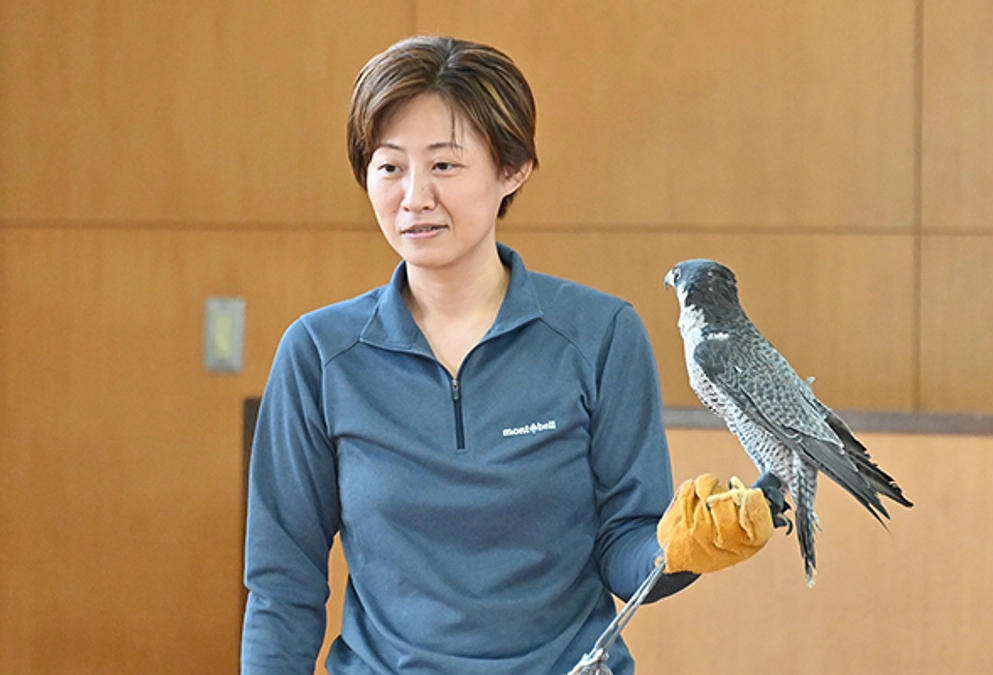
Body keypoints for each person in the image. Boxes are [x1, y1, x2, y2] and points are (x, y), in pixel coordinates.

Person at [242, 35, 776, 675]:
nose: (414, 197)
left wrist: (685, 547)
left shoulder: (601, 333)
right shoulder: (319, 353)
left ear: (512, 169)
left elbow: (626, 548)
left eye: (444, 166)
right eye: (389, 167)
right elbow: (283, 585)